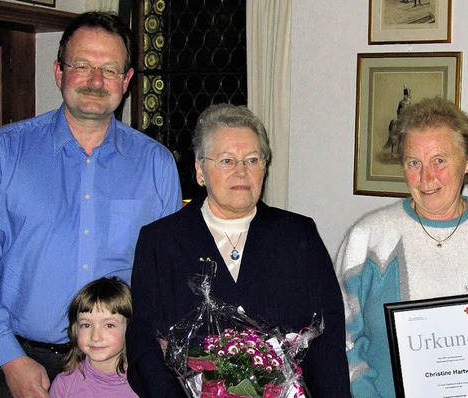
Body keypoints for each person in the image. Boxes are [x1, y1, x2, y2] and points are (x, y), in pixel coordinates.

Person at [0, 12, 182, 398]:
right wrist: (8, 358)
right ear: (59, 72)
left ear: (126, 81)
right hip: (20, 362)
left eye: (109, 69)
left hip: (120, 372)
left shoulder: (156, 163)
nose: (95, 81)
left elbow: (165, 276)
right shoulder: (1, 152)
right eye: (82, 66)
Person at [125, 103, 351, 397]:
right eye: (227, 161)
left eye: (253, 160)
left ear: (265, 168)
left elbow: (327, 340)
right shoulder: (160, 241)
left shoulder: (297, 235)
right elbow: (144, 342)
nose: (242, 171)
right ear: (200, 171)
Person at [335, 97, 468, 398]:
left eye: (439, 160)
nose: (426, 178)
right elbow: (340, 340)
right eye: (414, 163)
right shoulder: (368, 238)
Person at [49, 277, 137, 397]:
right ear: (76, 330)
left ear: (130, 328)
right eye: (86, 325)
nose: (95, 337)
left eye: (109, 325)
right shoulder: (64, 384)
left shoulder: (147, 382)